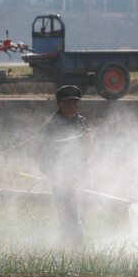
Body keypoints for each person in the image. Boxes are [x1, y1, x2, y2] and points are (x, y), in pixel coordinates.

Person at [37, 85, 93, 249]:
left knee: (79, 218)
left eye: (76, 103)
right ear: (59, 104)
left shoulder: (83, 123)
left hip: (82, 181)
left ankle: (58, 252)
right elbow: (44, 161)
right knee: (72, 221)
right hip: (62, 184)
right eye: (69, 103)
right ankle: (76, 253)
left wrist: (89, 144)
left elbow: (87, 156)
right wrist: (60, 179)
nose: (74, 107)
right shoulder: (48, 128)